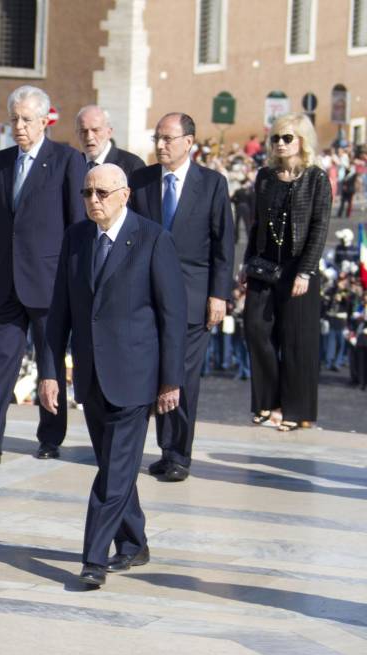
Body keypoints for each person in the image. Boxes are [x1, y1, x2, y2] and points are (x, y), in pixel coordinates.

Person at [39, 164, 186, 588]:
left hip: (136, 376)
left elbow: (172, 316)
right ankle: (134, 541)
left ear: (124, 195)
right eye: (87, 193)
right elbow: (59, 314)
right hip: (91, 376)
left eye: (101, 192)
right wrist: (50, 373)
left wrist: (171, 379)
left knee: (113, 473)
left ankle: (93, 557)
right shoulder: (76, 238)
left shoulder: (153, 238)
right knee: (114, 466)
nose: (93, 200)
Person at [0, 85, 86, 465]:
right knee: (1, 362)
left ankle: (50, 436)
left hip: (49, 281)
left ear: (45, 121)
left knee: (50, 362)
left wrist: (72, 281)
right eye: (14, 118)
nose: (19, 126)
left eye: (26, 119)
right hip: (5, 282)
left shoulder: (67, 160)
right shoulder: (0, 162)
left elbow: (77, 225)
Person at [129, 113, 234, 482]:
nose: (160, 145)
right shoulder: (140, 181)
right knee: (154, 372)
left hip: (193, 297)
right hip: (146, 296)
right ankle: (159, 447)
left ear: (188, 142)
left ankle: (178, 454)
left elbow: (224, 244)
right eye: (157, 137)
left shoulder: (212, 184)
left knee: (183, 377)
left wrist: (219, 294)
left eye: (168, 139)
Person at [241, 113, 331, 431]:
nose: (280, 143)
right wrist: (247, 262)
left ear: (302, 141)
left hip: (299, 267)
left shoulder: (316, 178)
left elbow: (320, 227)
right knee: (254, 327)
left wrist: (305, 272)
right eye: (276, 138)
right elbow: (256, 224)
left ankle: (295, 410)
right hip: (265, 265)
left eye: (287, 138)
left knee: (296, 340)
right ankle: (268, 401)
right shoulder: (265, 176)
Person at [75, 105, 145, 176]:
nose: (89, 137)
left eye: (96, 130)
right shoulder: (73, 165)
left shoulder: (132, 165)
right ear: (77, 134)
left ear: (109, 132)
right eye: (83, 131)